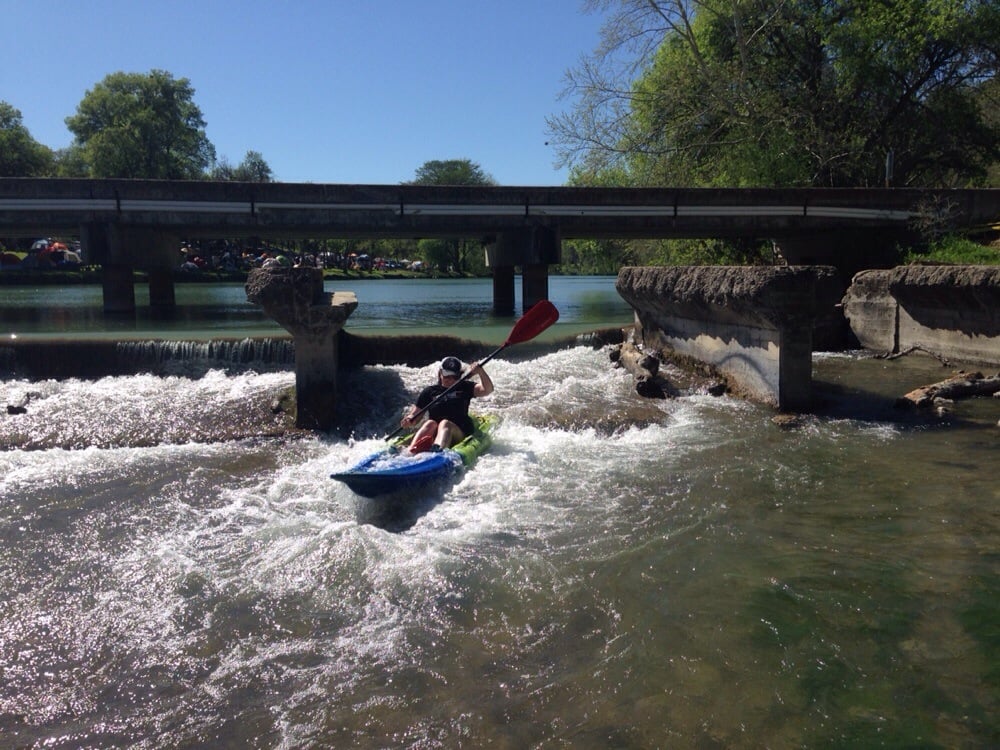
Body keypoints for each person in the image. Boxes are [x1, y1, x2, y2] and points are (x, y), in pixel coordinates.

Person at [400, 356, 493, 453]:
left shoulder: (465, 387)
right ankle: (410, 452)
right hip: (436, 432)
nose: (451, 380)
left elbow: (488, 390)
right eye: (447, 376)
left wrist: (481, 372)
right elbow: (416, 415)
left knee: (445, 423)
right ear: (440, 373)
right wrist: (409, 419)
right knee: (430, 423)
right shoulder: (430, 391)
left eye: (455, 377)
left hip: (458, 432)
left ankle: (437, 453)